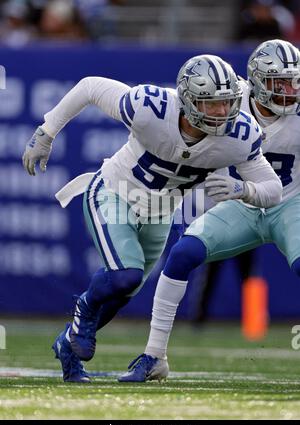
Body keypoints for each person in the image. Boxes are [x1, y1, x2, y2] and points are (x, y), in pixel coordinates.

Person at [22, 54, 281, 383]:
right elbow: (89, 87)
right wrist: (46, 132)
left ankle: (68, 346)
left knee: (122, 295)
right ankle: (83, 309)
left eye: (227, 103)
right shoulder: (150, 107)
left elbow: (272, 189)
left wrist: (243, 189)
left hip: (162, 211)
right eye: (210, 104)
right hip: (115, 193)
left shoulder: (240, 135)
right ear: (187, 100)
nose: (221, 113)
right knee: (124, 277)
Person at [119, 39, 300, 383]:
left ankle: (251, 323)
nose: (290, 90)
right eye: (280, 82)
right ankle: (155, 355)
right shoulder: (226, 99)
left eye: (294, 81)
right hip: (238, 205)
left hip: (291, 202)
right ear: (258, 81)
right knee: (183, 253)